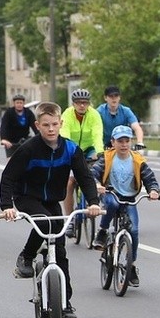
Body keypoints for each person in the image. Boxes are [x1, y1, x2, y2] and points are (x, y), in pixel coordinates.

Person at [0, 102, 102, 318]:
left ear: (61, 124)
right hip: (27, 197)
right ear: (38, 125)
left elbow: (84, 176)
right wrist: (7, 206)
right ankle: (26, 256)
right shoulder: (28, 149)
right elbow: (8, 178)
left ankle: (65, 305)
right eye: (46, 125)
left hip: (52, 200)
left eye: (55, 124)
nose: (51, 129)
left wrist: (93, 202)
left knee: (60, 249)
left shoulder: (71, 149)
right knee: (45, 224)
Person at [90, 125, 160, 287]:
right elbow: (93, 174)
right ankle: (102, 231)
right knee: (112, 203)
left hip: (129, 198)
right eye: (120, 141)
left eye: (127, 141)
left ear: (131, 142)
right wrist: (97, 184)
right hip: (111, 193)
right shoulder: (107, 158)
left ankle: (132, 265)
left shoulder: (137, 160)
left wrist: (154, 191)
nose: (123, 144)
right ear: (113, 142)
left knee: (134, 230)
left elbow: (150, 178)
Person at [61, 88, 105, 232]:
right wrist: (68, 152)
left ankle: (90, 202)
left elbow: (97, 134)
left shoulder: (94, 115)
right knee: (69, 182)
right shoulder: (67, 114)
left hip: (89, 150)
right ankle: (70, 219)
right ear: (73, 104)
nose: (82, 106)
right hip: (72, 150)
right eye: (78, 103)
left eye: (85, 103)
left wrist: (99, 152)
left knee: (92, 177)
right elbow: (64, 134)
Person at [0, 93, 37, 159]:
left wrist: (40, 137)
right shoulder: (9, 113)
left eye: (21, 103)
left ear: (23, 103)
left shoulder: (28, 113)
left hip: (24, 140)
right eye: (17, 103)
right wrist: (3, 139)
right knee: (11, 162)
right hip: (11, 142)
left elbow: (35, 126)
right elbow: (4, 126)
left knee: (27, 160)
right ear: (14, 103)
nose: (19, 105)